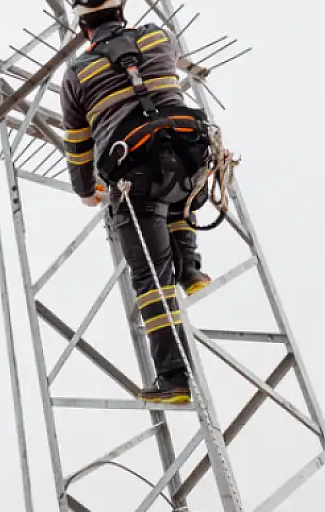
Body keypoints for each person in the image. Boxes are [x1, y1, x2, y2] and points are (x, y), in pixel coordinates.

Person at [60, 0, 213, 405]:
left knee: (150, 282)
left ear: (83, 27)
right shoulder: (158, 36)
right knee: (176, 197)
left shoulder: (77, 73)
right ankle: (192, 269)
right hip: (190, 160)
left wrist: (84, 190)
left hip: (137, 176)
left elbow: (78, 148)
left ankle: (174, 380)